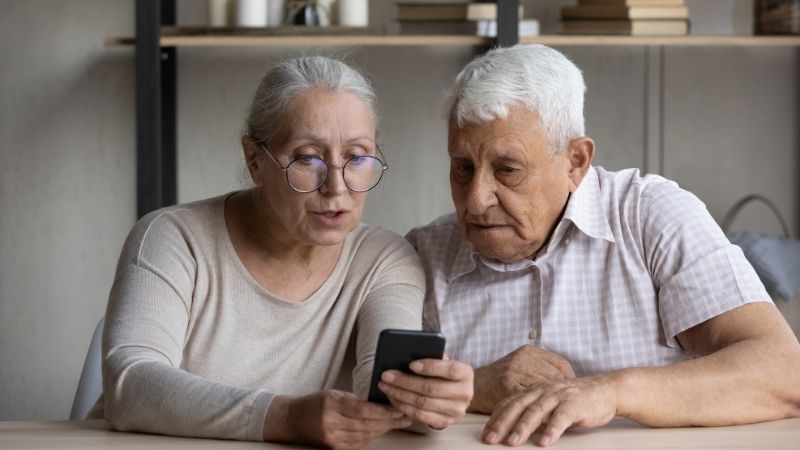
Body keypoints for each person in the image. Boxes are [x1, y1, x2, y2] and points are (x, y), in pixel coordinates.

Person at [407, 44, 800, 447]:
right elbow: (380, 399)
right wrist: (473, 386)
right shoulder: (423, 254)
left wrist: (612, 392)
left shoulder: (652, 217)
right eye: (462, 168)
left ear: (576, 161)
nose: (476, 199)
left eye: (507, 170)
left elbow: (783, 372)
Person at [92, 56, 473, 449]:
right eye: (308, 158)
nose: (336, 187)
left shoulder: (385, 259)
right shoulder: (173, 239)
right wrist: (286, 418)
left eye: (357, 157)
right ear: (255, 161)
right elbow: (130, 385)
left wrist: (426, 402)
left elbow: (380, 387)